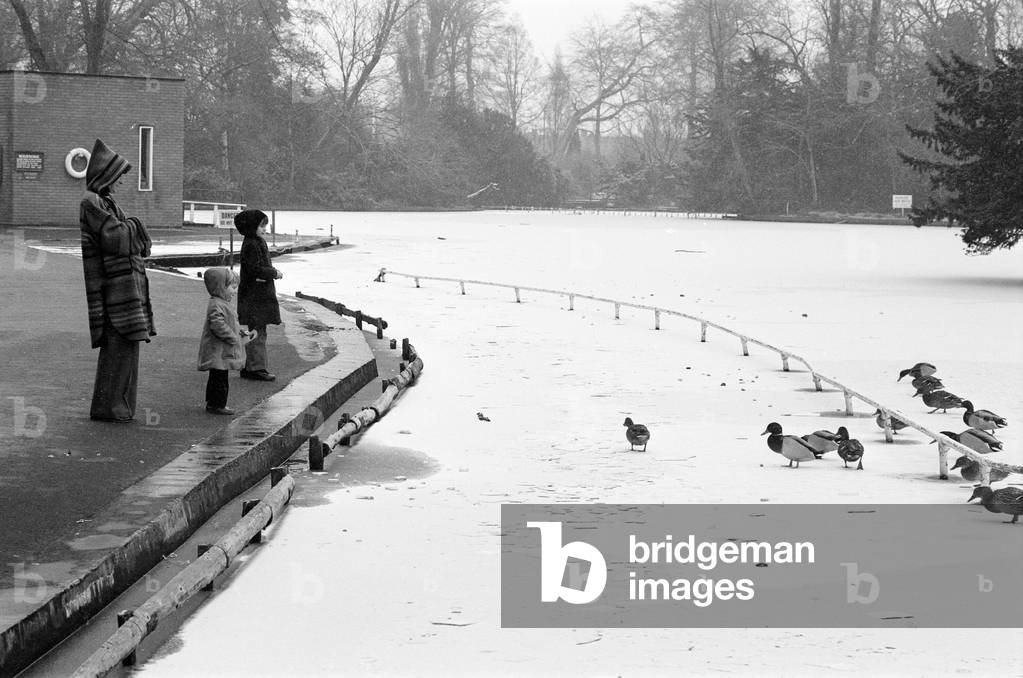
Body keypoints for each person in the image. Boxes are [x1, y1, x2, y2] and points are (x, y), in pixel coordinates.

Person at [79, 139, 155, 422]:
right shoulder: (92, 202)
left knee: (126, 348)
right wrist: (136, 225)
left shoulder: (104, 201)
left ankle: (117, 407)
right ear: (106, 175)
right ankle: (110, 408)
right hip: (113, 288)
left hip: (123, 287)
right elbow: (119, 239)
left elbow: (129, 239)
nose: (122, 182)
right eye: (119, 176)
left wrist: (132, 228)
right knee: (118, 348)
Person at [197, 268, 254, 415]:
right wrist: (233, 337)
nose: (235, 291)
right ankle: (218, 405)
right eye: (233, 288)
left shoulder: (222, 302)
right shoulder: (217, 304)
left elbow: (229, 323)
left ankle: (212, 403)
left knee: (216, 376)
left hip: (220, 349)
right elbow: (218, 325)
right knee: (220, 378)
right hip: (219, 349)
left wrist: (240, 331)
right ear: (221, 287)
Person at [234, 209, 282, 381]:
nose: (264, 229)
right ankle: (256, 368)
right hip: (255, 296)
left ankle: (251, 366)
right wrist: (274, 273)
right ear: (252, 226)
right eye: (261, 226)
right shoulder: (252, 244)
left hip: (256, 295)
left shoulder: (254, 242)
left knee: (257, 330)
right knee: (257, 331)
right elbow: (255, 269)